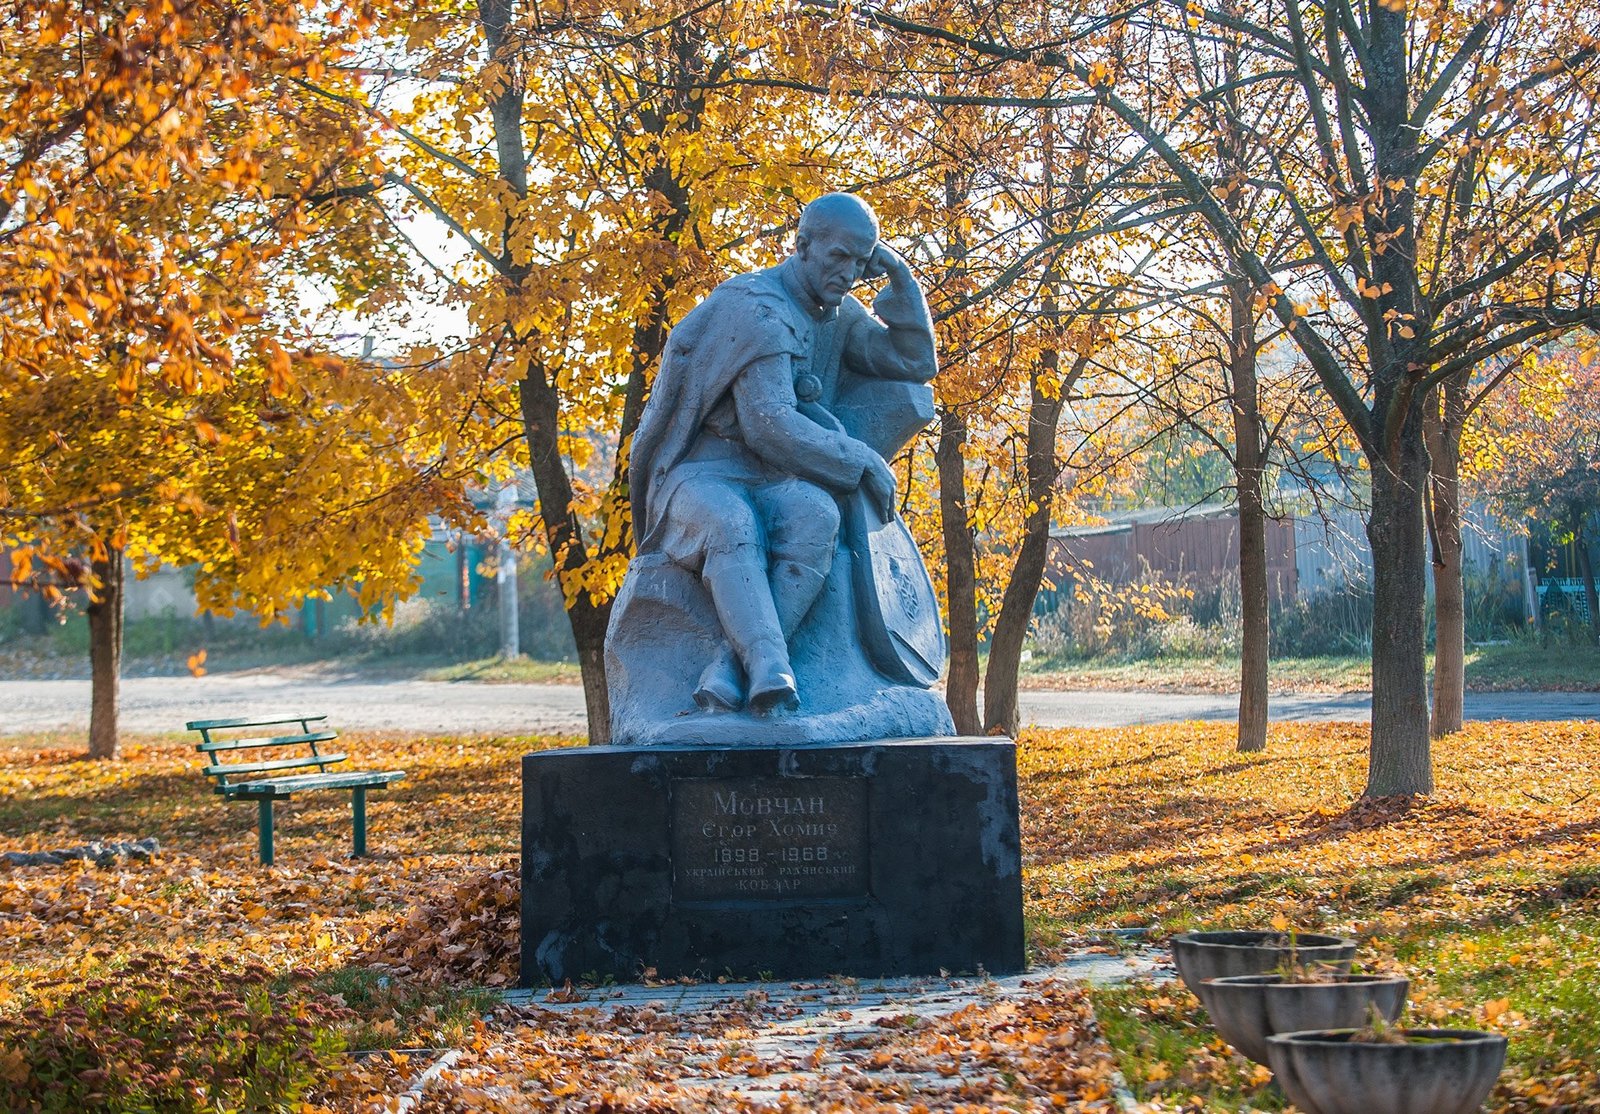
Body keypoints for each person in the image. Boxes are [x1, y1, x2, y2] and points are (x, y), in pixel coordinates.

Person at [627, 193, 938, 714]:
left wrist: (901, 279)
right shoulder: (759, 310)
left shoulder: (837, 314)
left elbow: (913, 362)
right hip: (698, 474)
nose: (849, 273)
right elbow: (770, 426)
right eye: (838, 256)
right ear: (802, 245)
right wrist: (859, 459)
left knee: (815, 515)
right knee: (731, 524)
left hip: (770, 478)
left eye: (860, 261)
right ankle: (770, 665)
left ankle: (733, 664)